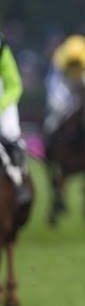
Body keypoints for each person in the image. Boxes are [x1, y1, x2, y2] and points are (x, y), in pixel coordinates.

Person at [43, 34, 85, 134]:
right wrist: (64, 102)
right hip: (67, 83)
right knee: (51, 122)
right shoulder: (59, 56)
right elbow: (53, 83)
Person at [0, 30, 31, 205]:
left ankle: (20, 184)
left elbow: (14, 85)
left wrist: (1, 105)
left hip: (2, 99)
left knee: (10, 134)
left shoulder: (2, 48)